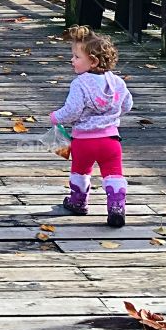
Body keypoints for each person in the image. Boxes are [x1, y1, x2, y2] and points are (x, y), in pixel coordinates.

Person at [49, 25, 133, 228]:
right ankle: (116, 207)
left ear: (93, 61)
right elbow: (127, 104)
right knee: (113, 173)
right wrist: (111, 114)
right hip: (111, 142)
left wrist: (55, 117)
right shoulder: (117, 82)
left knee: (80, 171)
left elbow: (72, 111)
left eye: (76, 57)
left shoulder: (80, 83)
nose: (72, 60)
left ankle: (78, 202)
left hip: (84, 142)